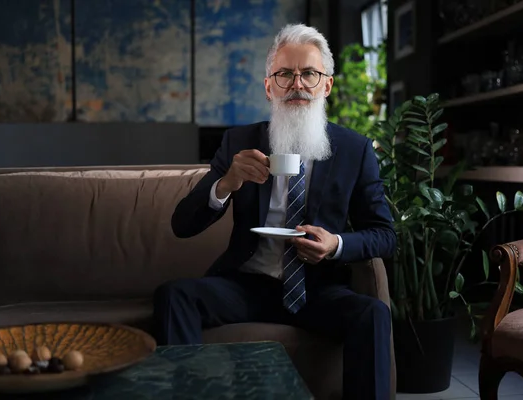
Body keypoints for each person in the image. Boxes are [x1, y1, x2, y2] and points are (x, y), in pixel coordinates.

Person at [153, 23, 396, 400]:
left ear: (326, 85)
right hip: (248, 285)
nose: (297, 84)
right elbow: (182, 224)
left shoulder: (355, 150)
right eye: (284, 74)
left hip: (318, 289)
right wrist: (227, 183)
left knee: (373, 314)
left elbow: (384, 234)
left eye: (309, 74)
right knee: (175, 296)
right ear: (269, 86)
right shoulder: (239, 142)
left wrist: (335, 244)